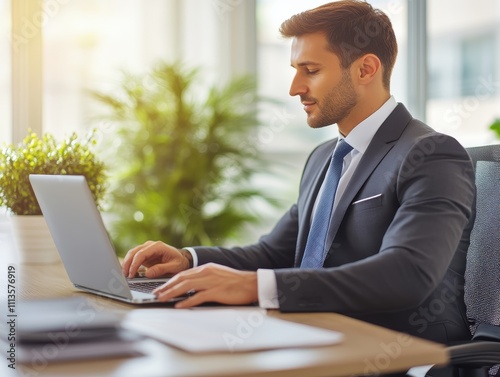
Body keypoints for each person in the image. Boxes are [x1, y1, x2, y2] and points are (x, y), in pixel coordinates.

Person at [122, 0, 476, 345]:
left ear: (366, 69)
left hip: (390, 351)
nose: (295, 88)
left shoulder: (431, 154)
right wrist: (188, 260)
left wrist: (255, 287)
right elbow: (273, 253)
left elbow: (407, 273)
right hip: (308, 335)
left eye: (311, 70)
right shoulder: (325, 158)